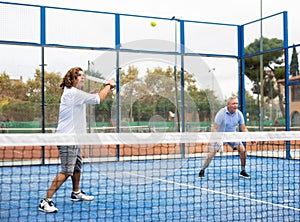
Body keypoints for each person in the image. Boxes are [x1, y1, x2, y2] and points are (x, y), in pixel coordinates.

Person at [39, 67, 115, 213]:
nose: (82, 77)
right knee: (67, 171)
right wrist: (109, 85)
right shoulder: (73, 93)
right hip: (67, 138)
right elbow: (98, 98)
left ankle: (76, 193)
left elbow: (92, 95)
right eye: (78, 75)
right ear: (72, 79)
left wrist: (101, 89)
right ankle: (45, 201)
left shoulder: (74, 93)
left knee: (77, 167)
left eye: (82, 75)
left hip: (74, 138)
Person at [199, 96, 254, 179]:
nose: (235, 105)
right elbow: (214, 128)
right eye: (233, 104)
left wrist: (250, 138)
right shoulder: (221, 113)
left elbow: (243, 128)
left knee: (242, 150)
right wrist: (216, 139)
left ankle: (242, 170)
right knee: (211, 153)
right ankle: (202, 169)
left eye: (236, 103)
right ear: (228, 105)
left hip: (232, 136)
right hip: (220, 136)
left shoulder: (239, 114)